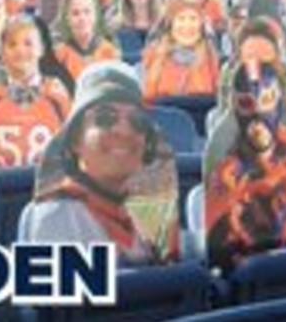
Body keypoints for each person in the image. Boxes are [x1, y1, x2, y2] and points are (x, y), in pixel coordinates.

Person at [28, 62, 179, 266]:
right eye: (105, 118)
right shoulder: (57, 215)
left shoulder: (145, 218)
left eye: (137, 121)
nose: (124, 131)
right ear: (75, 141)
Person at [206, 63, 286, 271]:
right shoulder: (222, 170)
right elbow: (220, 254)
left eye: (266, 101)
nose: (258, 114)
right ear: (234, 106)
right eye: (246, 103)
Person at [0, 16, 71, 168]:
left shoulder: (57, 95)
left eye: (28, 43)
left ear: (41, 49)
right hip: (3, 187)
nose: (20, 50)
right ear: (2, 53)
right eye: (12, 44)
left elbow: (74, 146)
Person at [141, 0, 221, 103]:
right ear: (171, 24)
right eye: (181, 18)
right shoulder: (154, 55)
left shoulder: (211, 55)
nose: (187, 25)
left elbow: (219, 98)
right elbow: (146, 100)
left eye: (193, 18)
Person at [53, 0, 120, 83]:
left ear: (95, 16)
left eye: (87, 12)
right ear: (67, 18)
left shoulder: (110, 53)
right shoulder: (61, 56)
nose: (82, 18)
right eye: (75, 13)